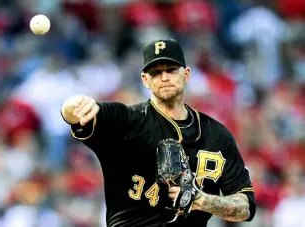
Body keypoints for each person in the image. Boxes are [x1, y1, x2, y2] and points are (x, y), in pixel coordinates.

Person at [61, 39, 256, 227]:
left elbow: (244, 207)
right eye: (156, 72)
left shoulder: (216, 135)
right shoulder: (127, 121)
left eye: (171, 70)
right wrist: (75, 105)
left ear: (186, 75)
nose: (164, 77)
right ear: (145, 80)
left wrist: (202, 200)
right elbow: (75, 114)